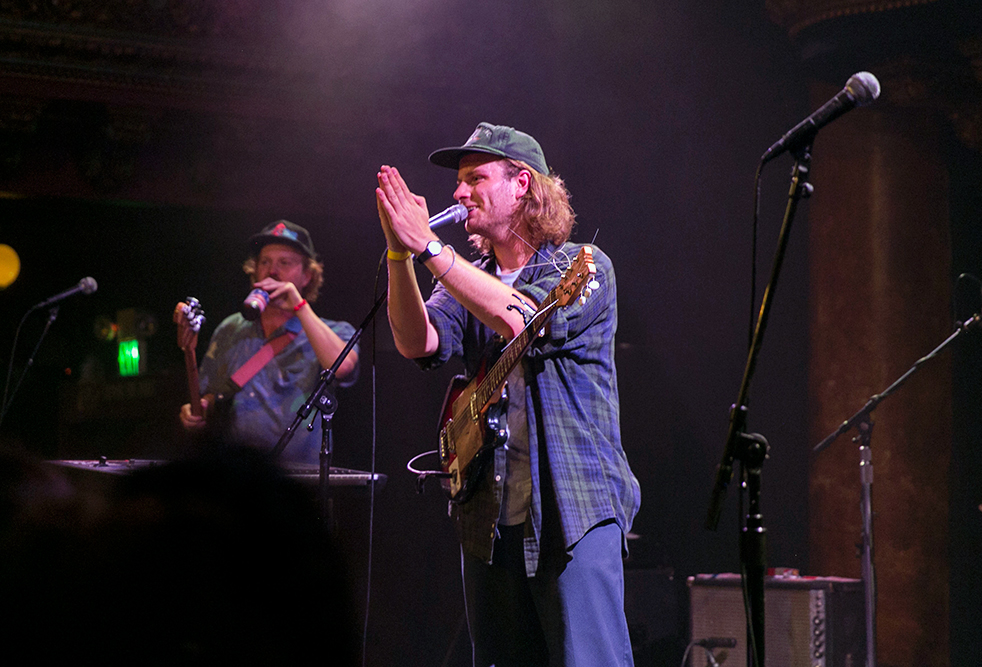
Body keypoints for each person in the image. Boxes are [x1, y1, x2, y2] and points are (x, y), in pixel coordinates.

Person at [376, 122, 640, 666]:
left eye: (475, 178)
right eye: (458, 182)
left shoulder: (582, 265)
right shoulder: (467, 276)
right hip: (489, 518)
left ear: (522, 184)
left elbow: (521, 319)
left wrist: (429, 247)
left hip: (574, 509)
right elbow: (417, 341)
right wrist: (400, 256)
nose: (458, 192)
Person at [179, 221, 359, 463]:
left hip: (300, 479)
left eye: (285, 263)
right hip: (240, 474)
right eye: (265, 262)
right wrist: (198, 411)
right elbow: (212, 395)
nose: (272, 271)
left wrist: (299, 305)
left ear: (307, 275)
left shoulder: (333, 331)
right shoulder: (231, 328)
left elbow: (343, 366)